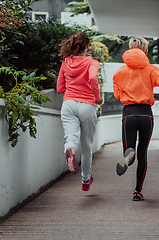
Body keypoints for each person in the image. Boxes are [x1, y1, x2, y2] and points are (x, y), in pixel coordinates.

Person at [113, 37, 159, 201]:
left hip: (129, 114)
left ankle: (128, 157)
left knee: (128, 149)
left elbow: (117, 94)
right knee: (143, 154)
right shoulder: (152, 70)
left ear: (130, 49)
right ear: (145, 51)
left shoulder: (120, 72)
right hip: (146, 115)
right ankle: (137, 192)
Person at [57, 32, 103, 191]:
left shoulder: (66, 62)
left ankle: (69, 149)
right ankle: (85, 180)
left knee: (71, 137)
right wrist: (97, 97)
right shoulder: (92, 63)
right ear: (87, 46)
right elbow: (92, 78)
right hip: (87, 105)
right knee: (87, 145)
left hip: (68, 104)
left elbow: (59, 87)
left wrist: (69, 91)